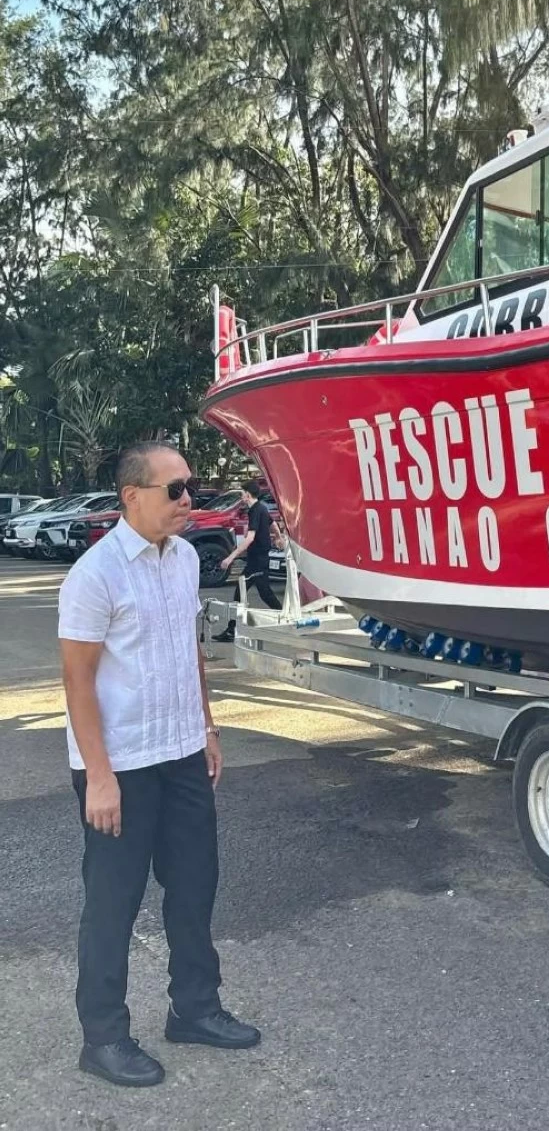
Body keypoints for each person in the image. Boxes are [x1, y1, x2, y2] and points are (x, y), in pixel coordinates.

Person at [58, 441, 260, 1089]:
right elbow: (78, 682)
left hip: (181, 753)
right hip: (120, 766)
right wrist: (99, 777)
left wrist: (207, 727)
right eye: (174, 489)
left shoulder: (183, 560)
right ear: (132, 496)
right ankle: (103, 1038)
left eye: (190, 487)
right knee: (113, 903)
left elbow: (187, 649)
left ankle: (194, 1009)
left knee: (195, 887)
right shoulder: (94, 575)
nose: (188, 500)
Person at [213, 480, 281, 643]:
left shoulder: (256, 510)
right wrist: (278, 536)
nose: (241, 496)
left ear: (248, 495)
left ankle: (289, 621)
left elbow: (250, 538)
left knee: (260, 593)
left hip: (258, 560)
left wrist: (230, 557)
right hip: (257, 559)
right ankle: (232, 630)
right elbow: (273, 524)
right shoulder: (261, 508)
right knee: (256, 593)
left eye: (242, 493)